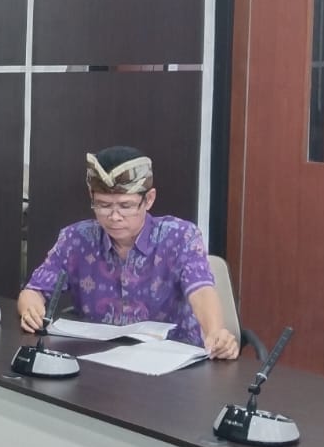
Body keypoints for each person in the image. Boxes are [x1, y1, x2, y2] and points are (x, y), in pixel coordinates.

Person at [18, 147, 240, 359]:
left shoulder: (180, 237)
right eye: (103, 205)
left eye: (126, 206)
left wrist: (215, 332)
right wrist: (32, 310)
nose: (114, 217)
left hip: (172, 363)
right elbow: (34, 291)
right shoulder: (76, 239)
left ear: (149, 199)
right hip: (99, 360)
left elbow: (201, 290)